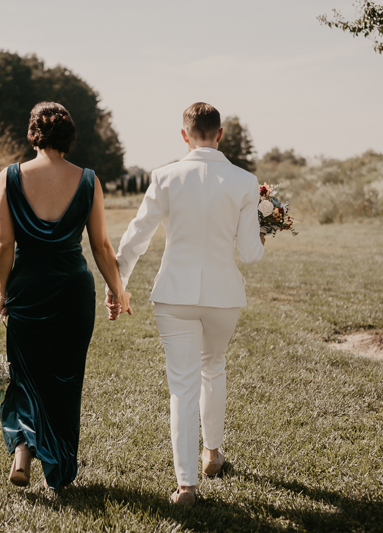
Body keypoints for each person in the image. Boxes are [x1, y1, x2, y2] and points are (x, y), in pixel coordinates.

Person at [108, 102, 265, 507]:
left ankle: (186, 487)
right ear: (221, 134)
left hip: (174, 295)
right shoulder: (246, 182)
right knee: (214, 368)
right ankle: (212, 453)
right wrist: (264, 228)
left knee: (182, 387)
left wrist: (117, 285)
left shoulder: (164, 177)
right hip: (223, 296)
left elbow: (136, 236)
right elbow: (250, 255)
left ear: (184, 135)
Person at [0, 101, 131, 490]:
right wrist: (118, 289)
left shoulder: (9, 177)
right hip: (72, 289)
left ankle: (22, 448)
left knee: (25, 372)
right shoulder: (88, 179)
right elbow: (102, 246)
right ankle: (58, 470)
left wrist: (4, 290)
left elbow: (4, 243)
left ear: (34, 133)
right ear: (69, 135)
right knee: (65, 379)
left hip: (28, 287)